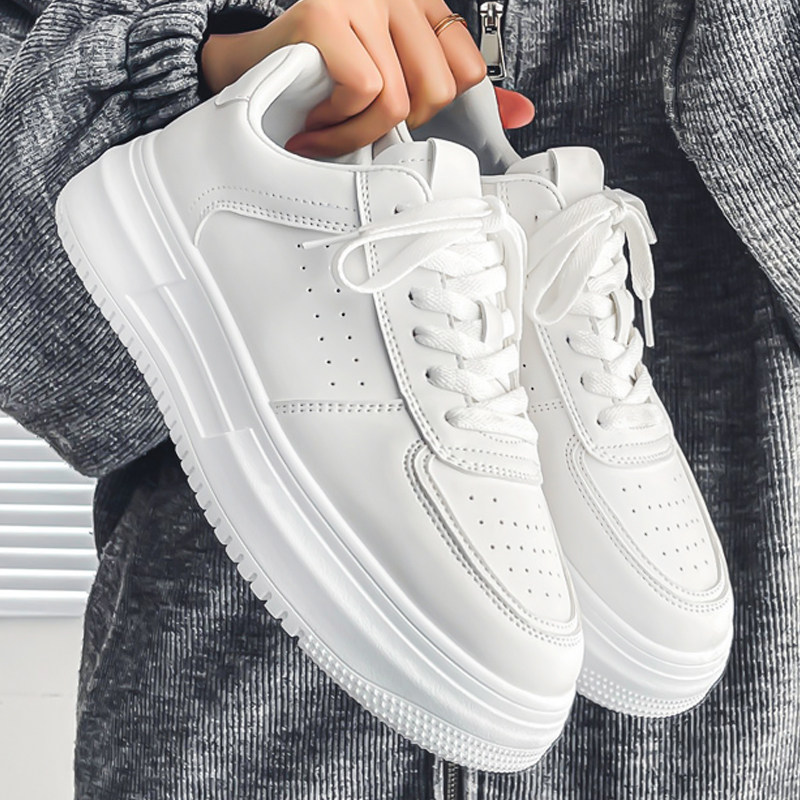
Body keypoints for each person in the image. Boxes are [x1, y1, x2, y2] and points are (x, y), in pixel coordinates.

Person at [1, 0, 798, 798]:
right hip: (233, 747)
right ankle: (236, 165)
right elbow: (42, 355)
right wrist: (188, 83)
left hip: (711, 758)